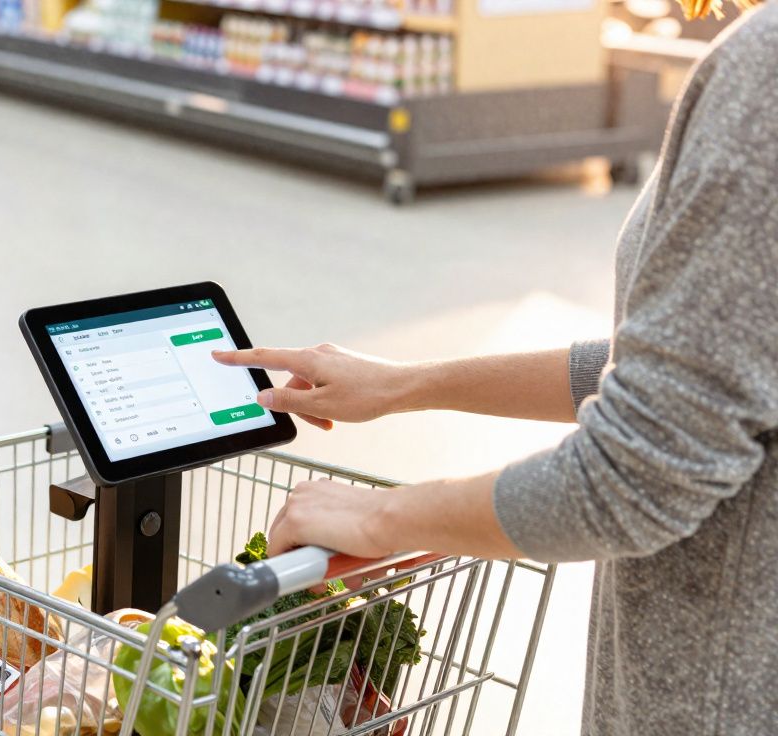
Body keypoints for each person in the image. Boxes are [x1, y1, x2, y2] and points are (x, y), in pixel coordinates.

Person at [212, 2, 778, 733]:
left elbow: (637, 472)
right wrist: (407, 384)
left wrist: (380, 518)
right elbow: (681, 368)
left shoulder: (765, 71)